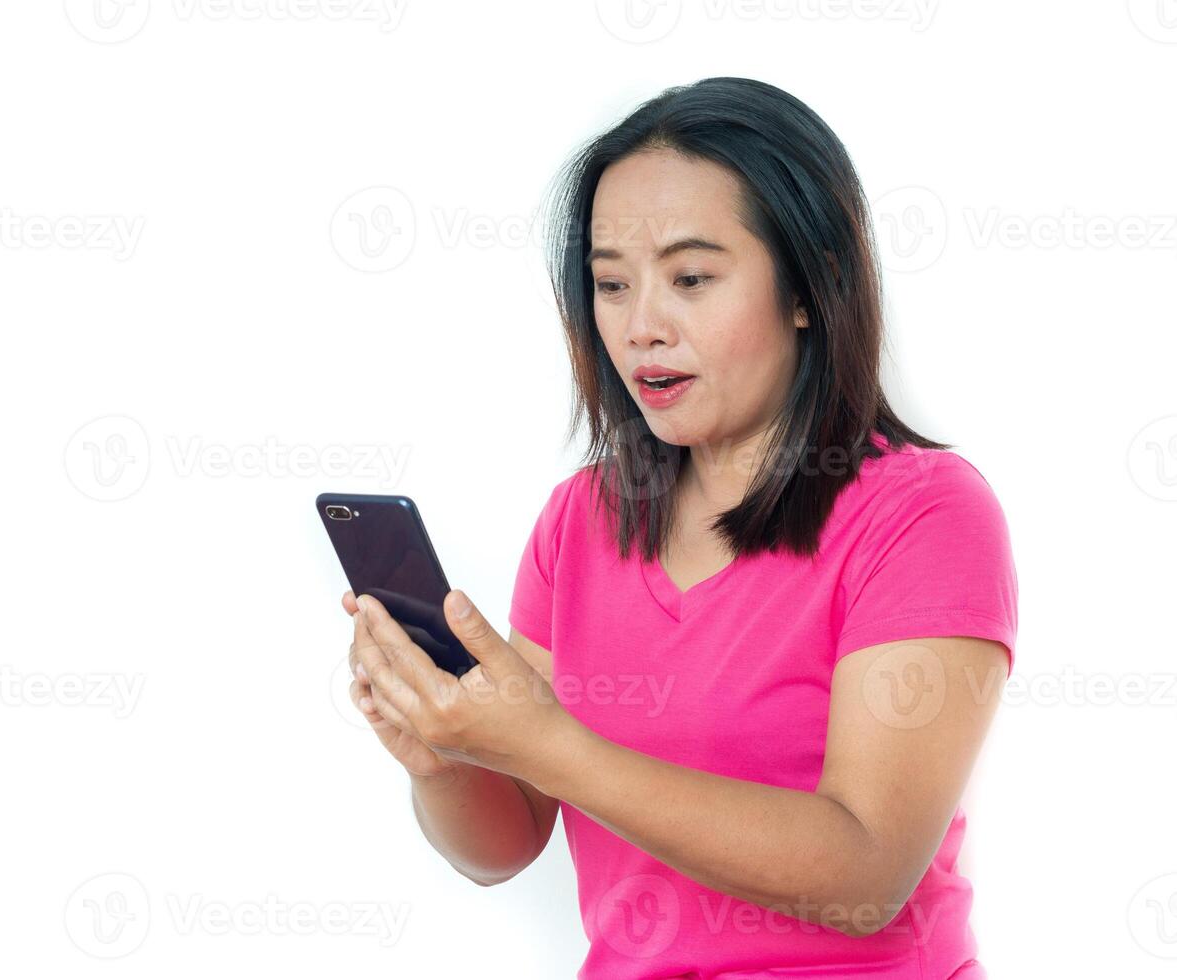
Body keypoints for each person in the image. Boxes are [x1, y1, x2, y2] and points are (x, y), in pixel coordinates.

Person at [344, 76, 1016, 979]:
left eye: (692, 279)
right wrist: (444, 756)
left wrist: (553, 746)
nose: (641, 327)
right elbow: (504, 845)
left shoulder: (926, 514)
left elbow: (867, 866)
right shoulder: (578, 523)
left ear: (808, 287)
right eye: (611, 285)